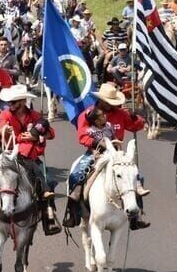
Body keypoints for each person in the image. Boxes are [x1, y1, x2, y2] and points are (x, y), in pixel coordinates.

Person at [63, 83, 150, 230]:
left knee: (137, 177)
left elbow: (137, 126)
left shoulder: (121, 113)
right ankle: (73, 213)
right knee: (76, 174)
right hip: (95, 152)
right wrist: (98, 142)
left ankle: (136, 216)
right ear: (102, 100)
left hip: (117, 154)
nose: (111, 105)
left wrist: (134, 116)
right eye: (109, 102)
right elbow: (82, 136)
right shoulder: (88, 114)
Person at [0, 85, 61, 234]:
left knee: (49, 181)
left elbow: (51, 133)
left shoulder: (35, 115)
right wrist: (4, 130)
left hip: (31, 157)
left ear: (22, 101)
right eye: (10, 102)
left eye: (14, 102)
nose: (11, 105)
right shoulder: (6, 114)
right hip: (10, 156)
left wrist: (42, 134)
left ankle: (49, 216)